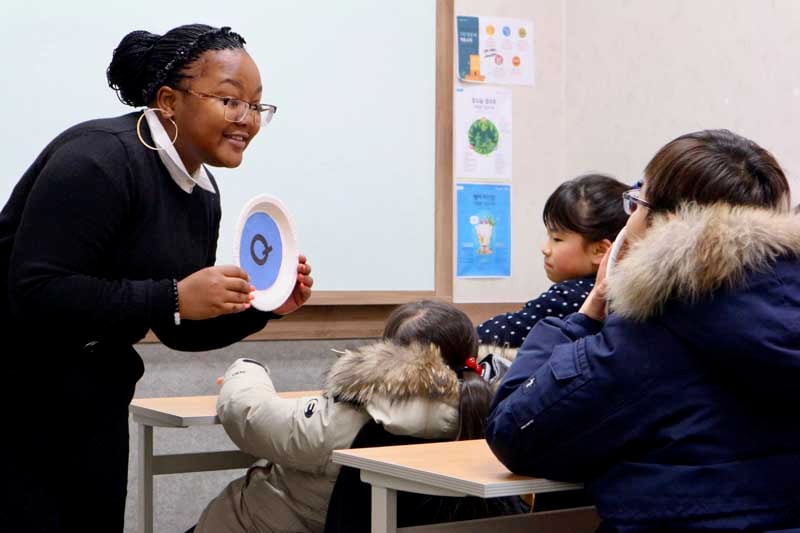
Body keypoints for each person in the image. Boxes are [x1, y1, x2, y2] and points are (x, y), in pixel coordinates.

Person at [0, 24, 312, 531]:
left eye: (257, 106)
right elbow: (37, 292)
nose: (247, 120)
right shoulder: (97, 159)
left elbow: (177, 326)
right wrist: (171, 295)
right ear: (169, 100)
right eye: (231, 101)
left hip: (94, 400)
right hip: (17, 400)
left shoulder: (202, 192)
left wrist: (263, 307)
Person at [486, 129, 800, 532]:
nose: (628, 219)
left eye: (636, 203)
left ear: (661, 224)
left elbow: (514, 431)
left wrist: (588, 312)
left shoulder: (650, 335)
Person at [192, 300, 505, 533]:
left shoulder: (350, 417)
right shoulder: (488, 413)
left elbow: (249, 416)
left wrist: (247, 368)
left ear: (391, 354)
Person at [477, 174, 628, 350]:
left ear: (599, 251)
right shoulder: (624, 291)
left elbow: (504, 330)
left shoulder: (570, 295)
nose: (545, 248)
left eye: (557, 239)